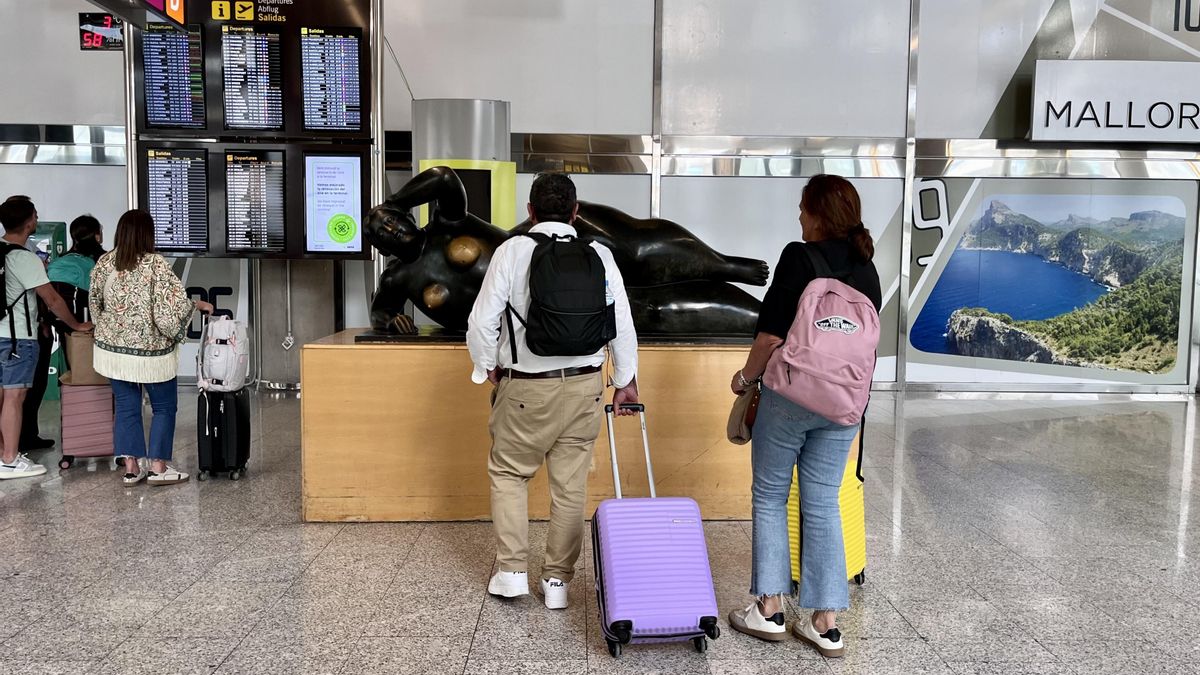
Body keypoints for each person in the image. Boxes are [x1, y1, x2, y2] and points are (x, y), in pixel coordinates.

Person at [466, 173, 639, 610]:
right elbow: (621, 325)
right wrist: (625, 381)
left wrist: (486, 367)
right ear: (576, 212)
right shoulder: (599, 254)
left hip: (526, 386)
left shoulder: (513, 250)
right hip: (585, 385)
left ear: (530, 212)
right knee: (570, 486)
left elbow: (481, 322)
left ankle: (511, 574)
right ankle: (558, 583)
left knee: (509, 475)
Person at [726, 175, 882, 656]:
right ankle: (825, 622)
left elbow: (771, 336)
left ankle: (769, 610)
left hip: (791, 397)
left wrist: (746, 379)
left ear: (817, 214)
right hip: (844, 406)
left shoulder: (800, 257)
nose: (798, 216)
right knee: (821, 500)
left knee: (771, 495)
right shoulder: (867, 267)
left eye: (802, 208)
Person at [90, 209, 212, 487]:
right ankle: (158, 467)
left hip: (113, 353)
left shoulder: (104, 262)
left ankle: (132, 468)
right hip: (152, 354)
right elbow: (172, 309)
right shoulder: (155, 264)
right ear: (148, 234)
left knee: (126, 407)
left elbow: (95, 306)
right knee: (164, 407)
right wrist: (196, 305)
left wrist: (113, 332)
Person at [0, 197, 93, 480]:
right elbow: (52, 299)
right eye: (35, 216)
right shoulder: (23, 257)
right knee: (15, 397)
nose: (37, 220)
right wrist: (76, 324)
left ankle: (3, 453)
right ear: (29, 221)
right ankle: (10, 459)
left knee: (3, 395)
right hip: (17, 338)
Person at [48, 214, 105, 327]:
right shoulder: (103, 261)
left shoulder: (58, 261)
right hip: (92, 322)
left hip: (63, 321)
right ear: (97, 236)